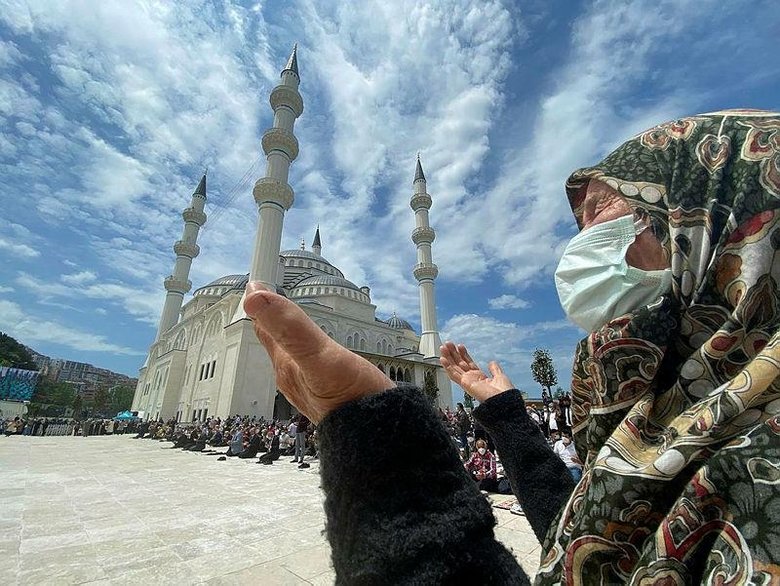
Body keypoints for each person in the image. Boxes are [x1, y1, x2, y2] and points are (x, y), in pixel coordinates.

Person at [244, 109, 780, 584]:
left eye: (599, 210)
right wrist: (506, 416)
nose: (580, 242)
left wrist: (374, 438)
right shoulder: (677, 411)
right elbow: (584, 541)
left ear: (713, 223)